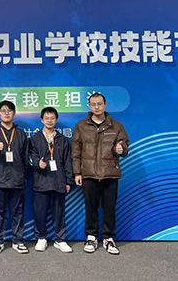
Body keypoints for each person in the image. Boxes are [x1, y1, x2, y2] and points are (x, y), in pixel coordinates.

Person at [71, 93, 129, 255]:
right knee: (91, 207)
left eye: (99, 104)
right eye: (93, 104)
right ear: (89, 106)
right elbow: (75, 152)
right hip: (88, 174)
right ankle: (91, 237)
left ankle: (108, 238)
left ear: (105, 104)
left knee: (109, 207)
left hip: (110, 173)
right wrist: (77, 173)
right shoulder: (81, 126)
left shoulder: (116, 126)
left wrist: (121, 149)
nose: (96, 107)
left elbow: (124, 145)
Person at [0, 100, 29, 254]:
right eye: (3, 111)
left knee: (18, 212)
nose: (7, 113)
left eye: (9, 110)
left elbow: (26, 158)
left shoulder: (21, 133)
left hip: (17, 179)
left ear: (14, 113)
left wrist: (24, 176)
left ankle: (18, 240)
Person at [29, 107, 74, 253]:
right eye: (47, 118)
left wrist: (69, 181)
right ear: (42, 120)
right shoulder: (35, 139)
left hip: (58, 181)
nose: (49, 121)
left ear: (56, 120)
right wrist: (38, 163)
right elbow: (30, 157)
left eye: (52, 118)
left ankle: (60, 239)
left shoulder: (62, 139)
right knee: (40, 212)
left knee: (59, 213)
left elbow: (68, 161)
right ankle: (41, 238)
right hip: (41, 181)